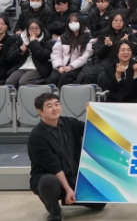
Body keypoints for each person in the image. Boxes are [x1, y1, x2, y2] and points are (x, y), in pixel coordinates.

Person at [27, 93, 106, 221]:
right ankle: (54, 211)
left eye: (57, 104)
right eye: (49, 106)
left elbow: (92, 130)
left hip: (72, 176)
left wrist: (93, 113)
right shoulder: (36, 136)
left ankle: (68, 198)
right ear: (40, 111)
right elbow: (54, 166)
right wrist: (68, 189)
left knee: (100, 204)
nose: (55, 108)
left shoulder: (69, 122)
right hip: (49, 178)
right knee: (49, 181)